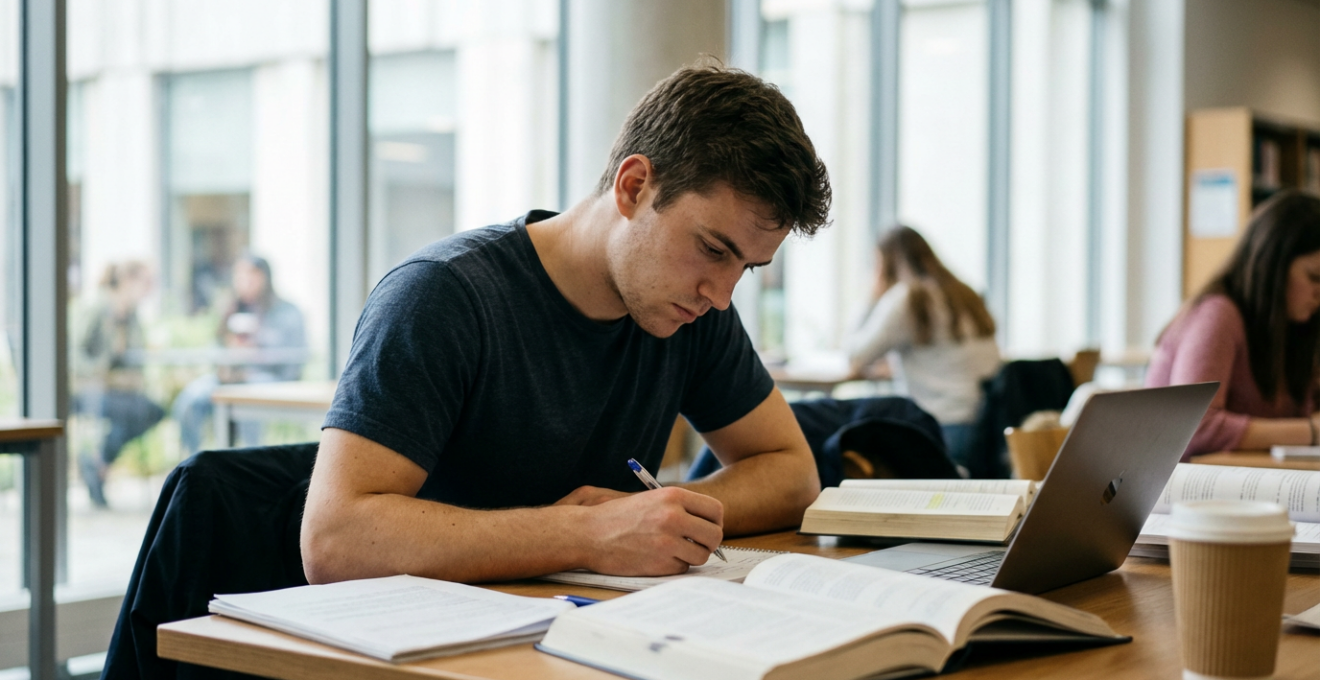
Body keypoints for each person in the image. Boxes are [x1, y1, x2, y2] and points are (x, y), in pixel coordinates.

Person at [300, 64, 830, 585]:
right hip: (423, 648)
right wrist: (589, 533)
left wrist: (657, 518)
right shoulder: (441, 296)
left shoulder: (692, 311)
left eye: (747, 268)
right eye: (713, 249)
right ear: (634, 186)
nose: (721, 295)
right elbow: (334, 541)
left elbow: (791, 473)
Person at [1146, 190, 1320, 458]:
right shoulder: (1218, 314)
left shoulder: (1295, 325)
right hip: (1179, 489)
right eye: (1314, 277)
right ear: (1272, 265)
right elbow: (1193, 429)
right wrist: (1310, 431)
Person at [843, 225, 1001, 471]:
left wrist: (873, 295)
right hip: (986, 424)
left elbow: (855, 356)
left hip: (941, 426)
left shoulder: (908, 298)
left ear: (886, 265)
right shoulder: (965, 292)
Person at [172, 254, 307, 454]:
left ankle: (250, 467)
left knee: (246, 403)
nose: (246, 282)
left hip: (269, 379)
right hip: (229, 379)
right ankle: (193, 461)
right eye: (240, 276)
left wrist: (257, 351)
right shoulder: (229, 309)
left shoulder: (287, 311)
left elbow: (293, 358)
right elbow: (215, 347)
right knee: (189, 400)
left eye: (252, 275)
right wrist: (227, 358)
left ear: (265, 277)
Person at [73, 261, 165, 508]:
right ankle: (97, 463)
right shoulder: (97, 308)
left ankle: (97, 461)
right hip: (88, 389)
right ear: (127, 281)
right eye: (145, 282)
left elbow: (134, 356)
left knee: (153, 411)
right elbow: (72, 352)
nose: (149, 289)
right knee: (134, 411)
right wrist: (99, 372)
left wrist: (130, 377)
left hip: (117, 390)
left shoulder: (131, 315)